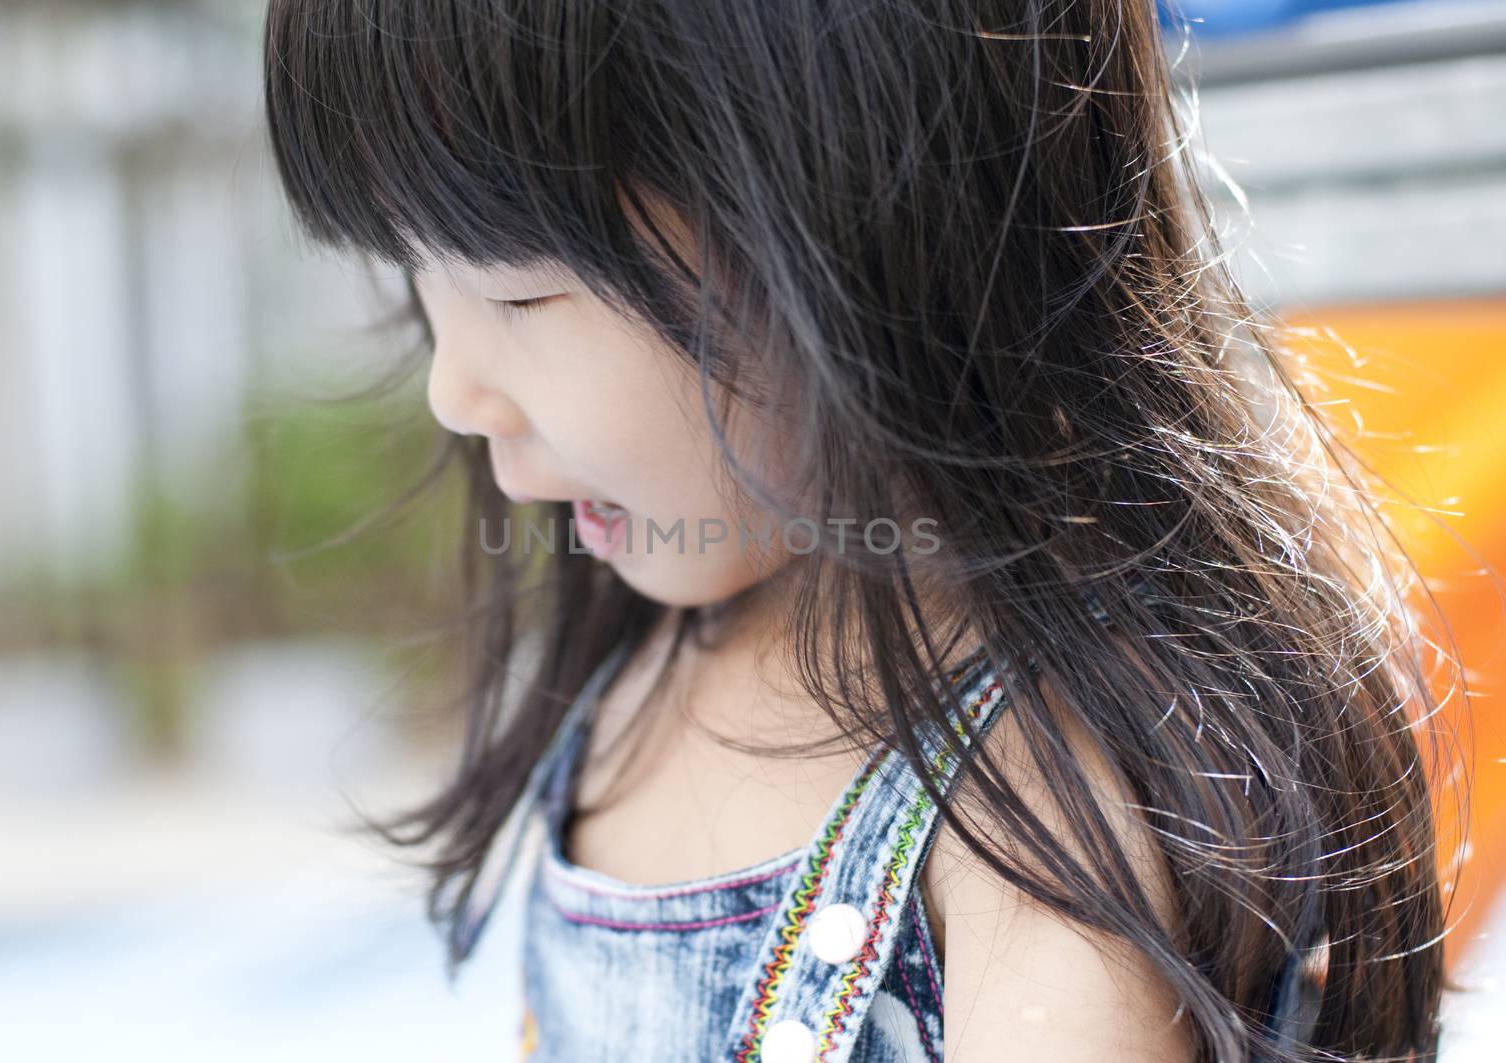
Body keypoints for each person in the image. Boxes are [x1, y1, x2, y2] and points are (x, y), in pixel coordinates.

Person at [260, 2, 1462, 1060]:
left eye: (518, 292)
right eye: (415, 278)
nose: (453, 388)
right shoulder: (649, 659)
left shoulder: (1033, 803)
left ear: (862, 225)